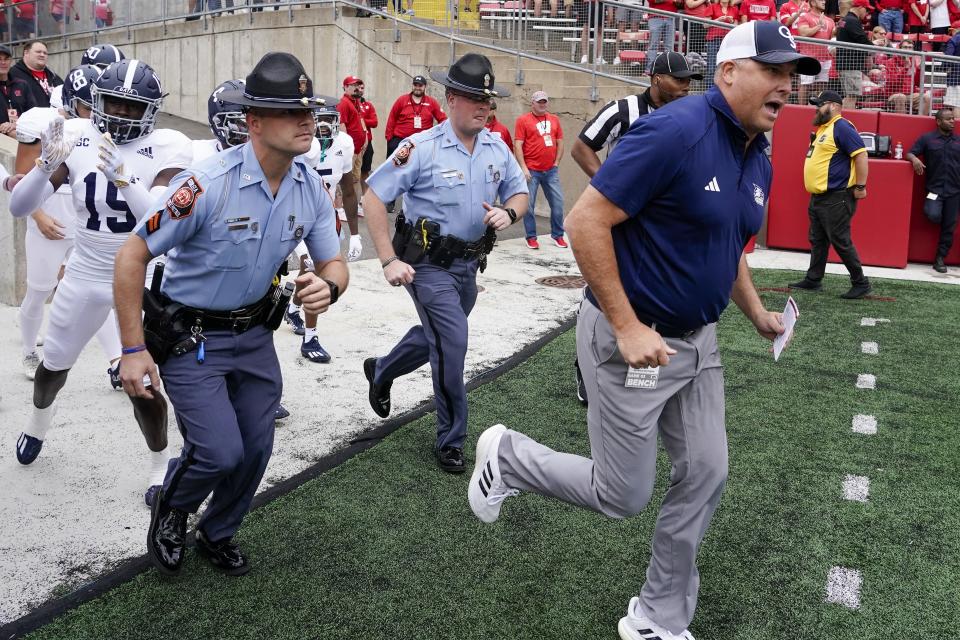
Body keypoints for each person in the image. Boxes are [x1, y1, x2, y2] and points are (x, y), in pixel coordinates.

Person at [467, 21, 814, 640]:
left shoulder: (755, 148)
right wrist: (626, 326)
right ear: (729, 72)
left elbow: (724, 239)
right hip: (636, 343)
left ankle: (657, 617)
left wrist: (755, 311)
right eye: (775, 72)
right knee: (622, 494)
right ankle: (510, 458)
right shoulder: (673, 131)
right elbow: (584, 221)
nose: (786, 87)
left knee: (707, 472)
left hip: (698, 343)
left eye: (792, 76)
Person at [113, 52, 347, 577]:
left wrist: (328, 285)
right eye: (291, 112)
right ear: (255, 122)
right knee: (219, 451)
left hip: (255, 336)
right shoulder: (206, 185)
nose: (307, 120)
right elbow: (131, 256)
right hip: (191, 338)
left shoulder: (308, 185)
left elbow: (333, 260)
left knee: (257, 447)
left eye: (308, 109)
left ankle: (217, 531)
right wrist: (131, 349)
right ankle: (173, 505)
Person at [8, 59, 192, 506]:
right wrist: (42, 167)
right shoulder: (76, 136)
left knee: (144, 385)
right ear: (96, 102)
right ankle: (37, 424)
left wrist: (125, 180)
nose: (123, 115)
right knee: (53, 367)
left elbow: (162, 222)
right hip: (88, 269)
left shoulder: (170, 145)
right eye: (114, 104)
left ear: (151, 111)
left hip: (144, 276)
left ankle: (158, 463)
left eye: (134, 108)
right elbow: (18, 207)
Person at [361, 53, 528, 473]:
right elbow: (374, 197)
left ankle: (381, 370)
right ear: (451, 98)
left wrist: (509, 214)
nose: (484, 107)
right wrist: (386, 260)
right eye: (474, 98)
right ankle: (451, 439)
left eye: (488, 100)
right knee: (452, 343)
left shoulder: (496, 146)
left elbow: (520, 194)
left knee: (437, 334)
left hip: (468, 266)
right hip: (426, 265)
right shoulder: (419, 148)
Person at [14, 64, 123, 386]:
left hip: (83, 220)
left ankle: (116, 359)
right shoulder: (46, 123)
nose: (95, 114)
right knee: (39, 289)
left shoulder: (108, 131)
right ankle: (29, 350)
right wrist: (39, 215)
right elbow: (23, 178)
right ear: (73, 102)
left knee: (99, 291)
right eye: (89, 107)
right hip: (49, 216)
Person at [789, 89, 872, 298]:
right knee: (818, 239)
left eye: (820, 104)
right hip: (819, 197)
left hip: (837, 196)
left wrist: (860, 186)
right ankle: (813, 279)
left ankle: (860, 282)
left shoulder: (841, 126)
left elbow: (861, 156)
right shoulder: (823, 129)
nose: (816, 109)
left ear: (834, 106)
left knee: (840, 240)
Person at [290, 104, 354, 363]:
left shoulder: (345, 144)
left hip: (324, 214)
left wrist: (356, 233)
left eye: (330, 120)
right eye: (321, 120)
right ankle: (310, 336)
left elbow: (349, 189)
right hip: (293, 215)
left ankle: (293, 307)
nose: (325, 126)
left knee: (315, 272)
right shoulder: (299, 142)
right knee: (309, 269)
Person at [574, 51, 701, 177]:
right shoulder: (622, 110)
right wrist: (609, 188)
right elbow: (581, 148)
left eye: (688, 81)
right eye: (679, 80)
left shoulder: (688, 116)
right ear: (657, 79)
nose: (686, 87)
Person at [906, 107, 960, 272]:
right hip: (934, 190)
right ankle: (941, 216)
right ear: (938, 122)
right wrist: (914, 159)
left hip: (955, 191)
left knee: (949, 226)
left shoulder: (958, 141)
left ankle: (940, 259)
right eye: (948, 119)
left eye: (953, 118)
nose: (952, 121)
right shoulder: (927, 139)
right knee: (933, 214)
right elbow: (909, 153)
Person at [514, 90, 566, 249]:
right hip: (532, 171)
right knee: (528, 206)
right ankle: (531, 237)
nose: (542, 104)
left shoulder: (554, 119)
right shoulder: (523, 120)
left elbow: (560, 142)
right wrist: (523, 167)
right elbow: (518, 145)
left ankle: (558, 235)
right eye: (539, 102)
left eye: (544, 101)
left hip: (550, 170)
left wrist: (556, 162)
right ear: (533, 103)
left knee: (558, 204)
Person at [384, 75, 447, 160]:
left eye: (420, 85)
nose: (417, 87)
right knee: (395, 169)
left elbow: (443, 119)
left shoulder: (431, 102)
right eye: (415, 85)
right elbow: (392, 118)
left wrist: (438, 137)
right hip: (401, 141)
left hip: (423, 142)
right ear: (412, 85)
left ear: (425, 87)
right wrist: (390, 140)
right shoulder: (402, 100)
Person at [338, 75, 367, 261]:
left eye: (357, 85)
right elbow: (342, 127)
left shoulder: (355, 103)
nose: (356, 88)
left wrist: (364, 140)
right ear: (345, 87)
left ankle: (350, 207)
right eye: (352, 85)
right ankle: (340, 208)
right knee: (347, 181)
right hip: (351, 151)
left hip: (358, 149)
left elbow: (361, 123)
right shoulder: (344, 104)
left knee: (355, 179)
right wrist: (347, 149)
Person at [795, 0, 835, 106]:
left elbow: (831, 38)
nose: (824, 1)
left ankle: (819, 109)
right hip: (808, 57)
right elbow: (803, 33)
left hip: (825, 57)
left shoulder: (830, 20)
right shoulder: (805, 17)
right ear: (812, 3)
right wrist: (819, 26)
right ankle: (801, 110)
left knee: (822, 85)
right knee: (806, 84)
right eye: (820, 0)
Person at [836, 0, 873, 109]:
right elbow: (862, 40)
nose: (866, 13)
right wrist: (875, 45)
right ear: (860, 7)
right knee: (852, 96)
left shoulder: (845, 19)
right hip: (851, 65)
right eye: (866, 10)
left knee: (849, 96)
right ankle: (846, 121)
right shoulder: (852, 21)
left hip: (846, 65)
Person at [10, 42, 63, 110]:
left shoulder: (54, 76)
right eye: (38, 52)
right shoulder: (12, 75)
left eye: (45, 53)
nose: (42, 55)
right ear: (26, 53)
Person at [0, 44, 36, 138]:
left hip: (21, 137)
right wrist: (3, 127)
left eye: (6, 59)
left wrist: (16, 125)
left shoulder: (22, 85)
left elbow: (33, 114)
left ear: (11, 61)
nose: (3, 62)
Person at [705, 0, 740, 84]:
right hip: (713, 40)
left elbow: (736, 27)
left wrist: (731, 21)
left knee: (728, 66)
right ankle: (710, 90)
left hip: (728, 41)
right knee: (712, 67)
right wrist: (718, 20)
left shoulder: (734, 9)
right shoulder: (712, 6)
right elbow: (705, 25)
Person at [357, 81, 378, 198]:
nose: (360, 90)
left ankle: (364, 198)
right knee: (351, 173)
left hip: (367, 143)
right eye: (358, 87)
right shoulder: (349, 104)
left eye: (362, 88)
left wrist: (361, 120)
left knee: (365, 171)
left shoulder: (368, 105)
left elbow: (374, 122)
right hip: (354, 144)